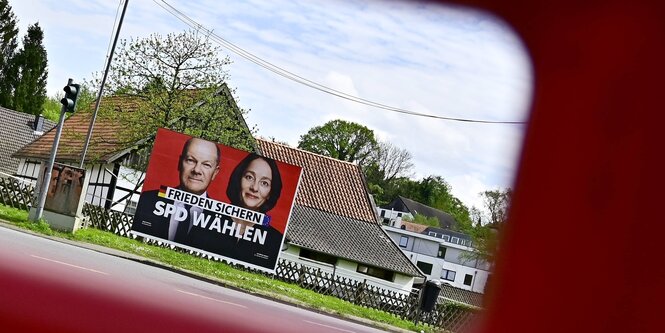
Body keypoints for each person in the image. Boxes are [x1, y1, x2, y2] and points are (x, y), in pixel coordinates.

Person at [132, 137, 221, 242]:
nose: (197, 170)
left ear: (215, 173)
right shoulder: (149, 199)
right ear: (180, 163)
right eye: (191, 160)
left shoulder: (221, 219)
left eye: (206, 165)